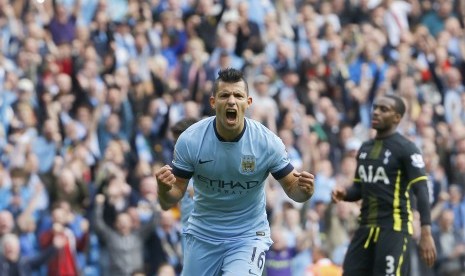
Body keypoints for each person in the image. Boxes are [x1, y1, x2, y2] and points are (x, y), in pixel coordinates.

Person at [155, 68, 315, 276]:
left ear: (248, 103)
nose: (231, 101)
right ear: (213, 102)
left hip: (248, 237)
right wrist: (163, 189)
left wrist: (305, 191)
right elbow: (169, 201)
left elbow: (294, 190)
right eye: (225, 95)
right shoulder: (191, 140)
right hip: (204, 236)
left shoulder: (267, 143)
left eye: (238, 95)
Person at [331, 94, 437, 275]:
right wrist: (345, 193)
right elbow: (359, 188)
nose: (376, 112)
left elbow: (421, 190)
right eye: (376, 107)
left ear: (397, 117)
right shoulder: (365, 148)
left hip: (394, 229)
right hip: (365, 228)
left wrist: (426, 233)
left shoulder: (407, 149)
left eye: (384, 109)